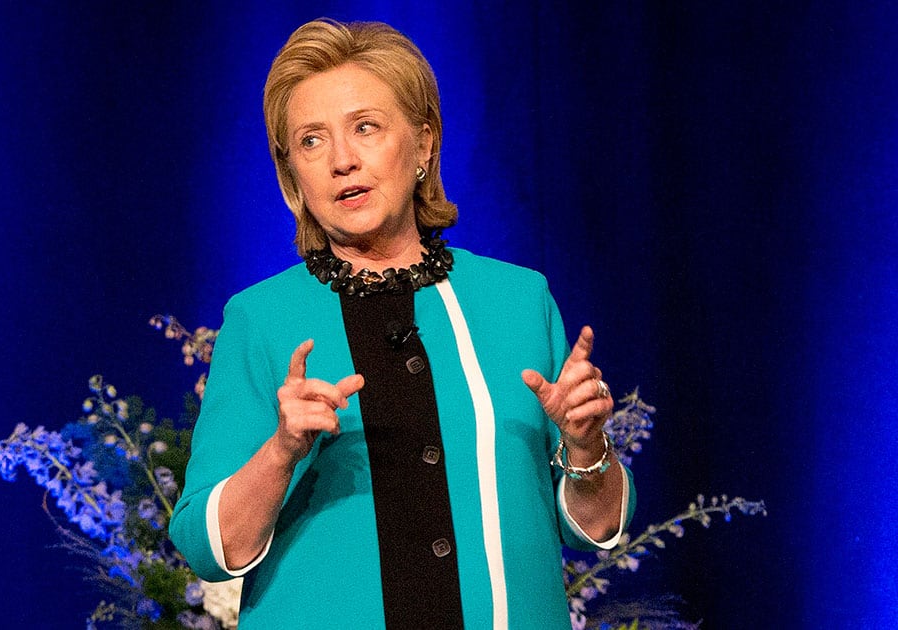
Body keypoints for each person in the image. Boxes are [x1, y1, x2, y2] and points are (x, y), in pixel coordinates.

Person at [170, 18, 635, 629]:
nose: (341, 160)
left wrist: (586, 445)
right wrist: (282, 450)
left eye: (366, 127)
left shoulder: (517, 300)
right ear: (292, 177)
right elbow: (207, 547)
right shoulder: (261, 319)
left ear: (423, 144)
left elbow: (598, 530)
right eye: (311, 141)